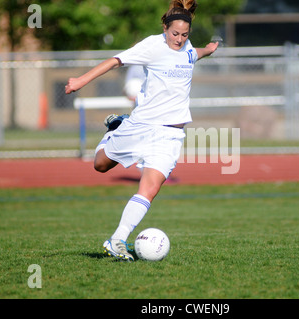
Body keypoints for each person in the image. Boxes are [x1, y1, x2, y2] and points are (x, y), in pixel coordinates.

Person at [65, 0, 218, 261]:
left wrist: (208, 49)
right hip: (141, 126)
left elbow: (194, 55)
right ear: (165, 27)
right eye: (175, 34)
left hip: (170, 135)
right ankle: (116, 127)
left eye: (184, 35)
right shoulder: (152, 45)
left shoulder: (188, 47)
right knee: (100, 165)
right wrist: (81, 80)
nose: (179, 40)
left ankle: (117, 240)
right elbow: (115, 61)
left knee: (150, 188)